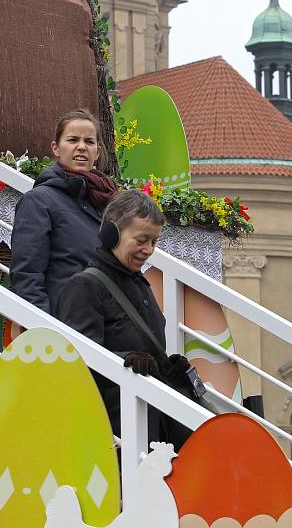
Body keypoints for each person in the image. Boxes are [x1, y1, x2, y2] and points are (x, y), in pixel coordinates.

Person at [56, 189, 192, 450]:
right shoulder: (85, 286)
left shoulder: (139, 284)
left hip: (149, 428)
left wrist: (165, 366)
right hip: (115, 437)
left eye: (154, 242)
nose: (148, 250)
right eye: (141, 240)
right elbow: (78, 365)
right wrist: (125, 360)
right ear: (112, 234)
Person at [10, 109, 117, 316]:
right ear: (56, 148)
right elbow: (27, 275)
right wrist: (46, 330)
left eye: (89, 141)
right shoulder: (38, 201)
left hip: (106, 325)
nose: (81, 147)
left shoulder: (109, 203)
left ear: (98, 151)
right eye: (73, 140)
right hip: (66, 327)